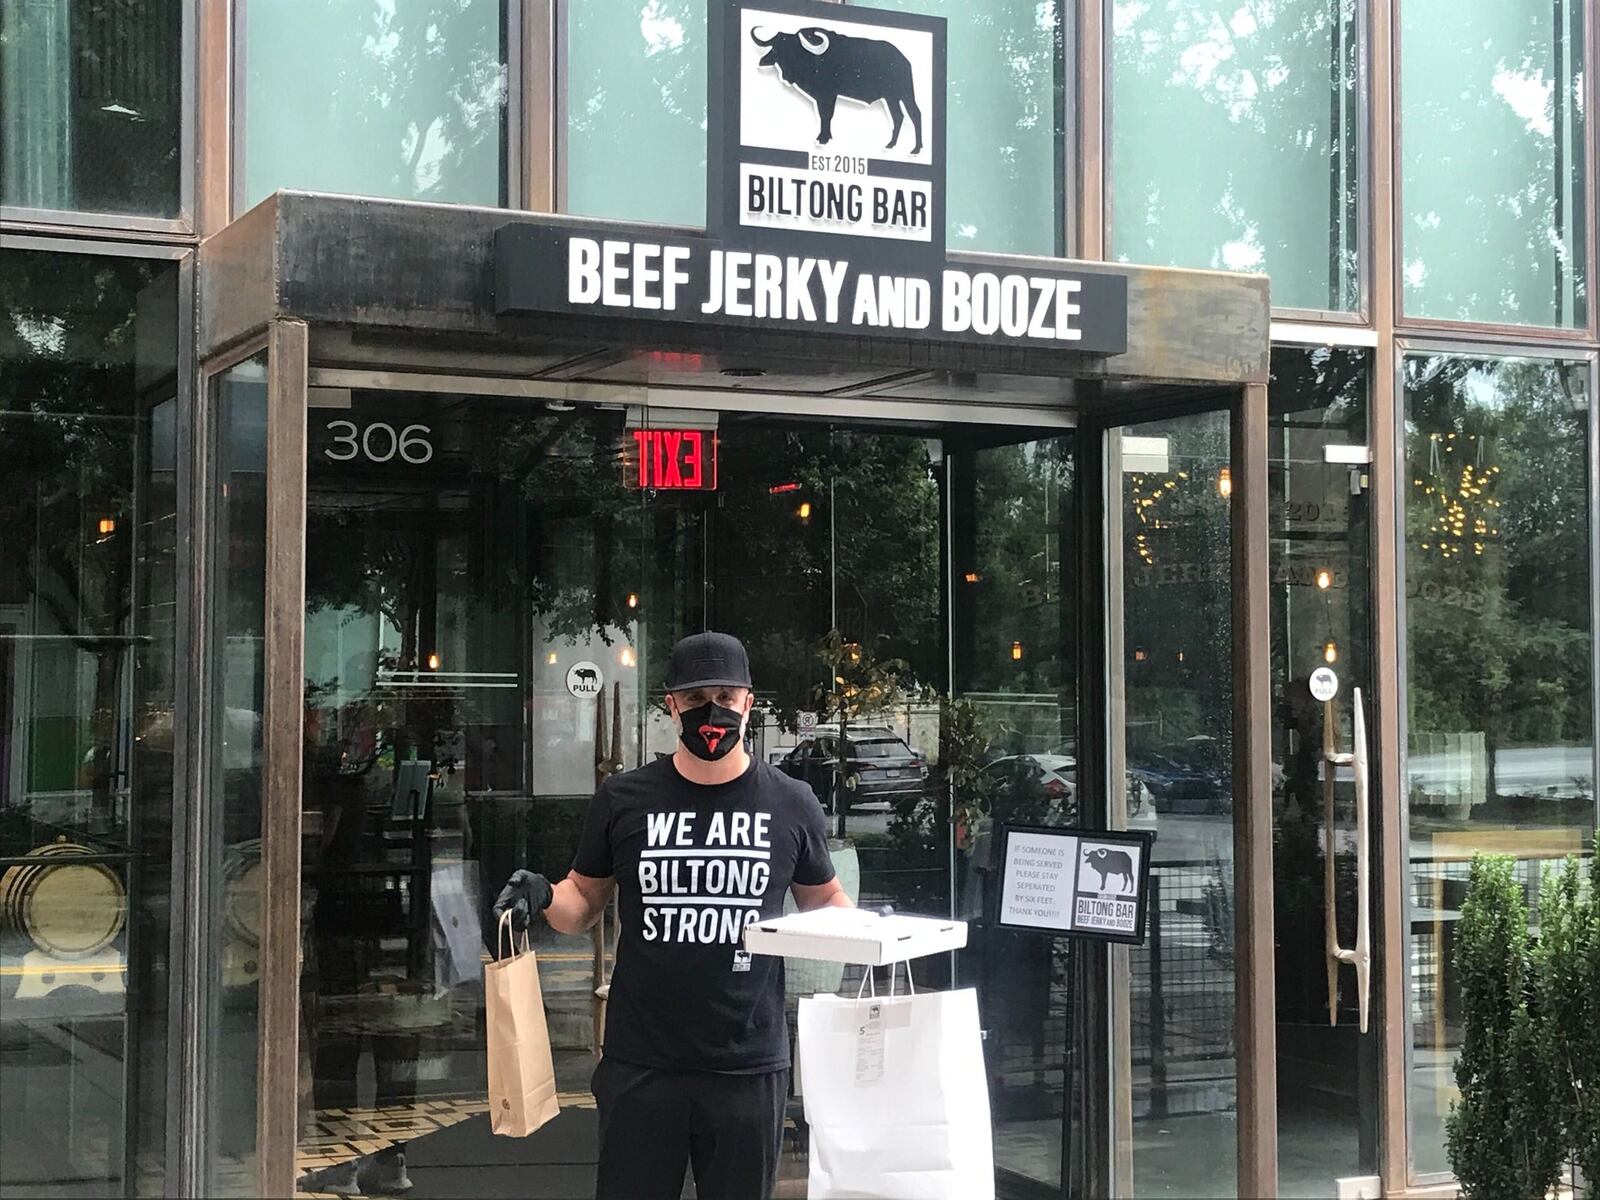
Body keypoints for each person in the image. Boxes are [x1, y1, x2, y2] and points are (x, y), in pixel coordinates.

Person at [496, 631, 850, 1200]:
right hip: (642, 1062)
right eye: (694, 699)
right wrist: (540, 895)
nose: (712, 711)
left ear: (749, 702)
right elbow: (583, 902)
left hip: (747, 1064)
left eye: (726, 697)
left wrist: (862, 938)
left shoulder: (790, 802)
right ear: (671, 706)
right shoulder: (624, 797)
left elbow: (829, 901)